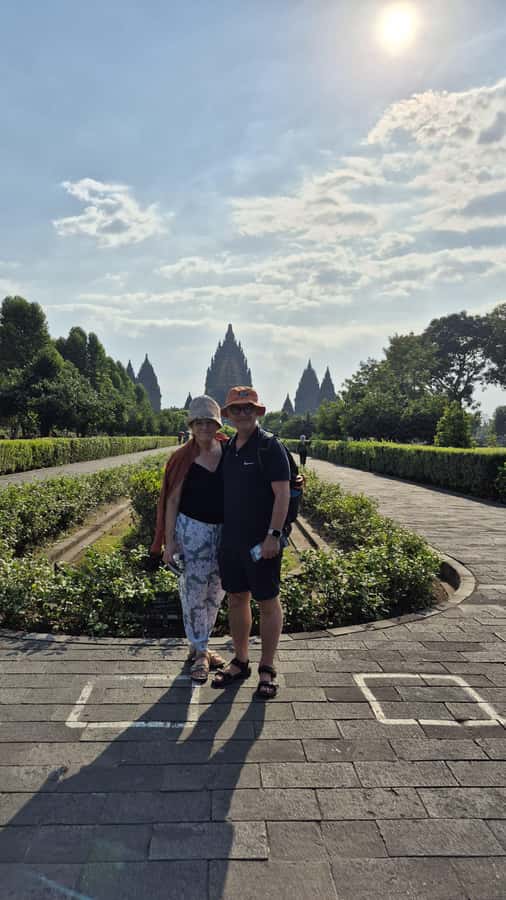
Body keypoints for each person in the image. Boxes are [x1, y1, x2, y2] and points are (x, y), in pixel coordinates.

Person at [212, 386, 290, 699]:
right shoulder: (229, 447)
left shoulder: (269, 446)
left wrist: (274, 535)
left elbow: (282, 494)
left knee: (267, 602)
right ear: (228, 415)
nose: (242, 414)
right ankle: (241, 660)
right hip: (232, 540)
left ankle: (267, 668)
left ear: (257, 412)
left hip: (262, 541)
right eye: (236, 409)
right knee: (236, 599)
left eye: (248, 408)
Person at [151, 396, 227, 683]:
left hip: (223, 532)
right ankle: (201, 652)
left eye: (210, 422)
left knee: (216, 592)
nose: (205, 427)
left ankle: (199, 645)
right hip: (192, 531)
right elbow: (171, 501)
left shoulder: (229, 452)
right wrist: (169, 542)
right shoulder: (183, 458)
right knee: (194, 593)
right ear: (191, 426)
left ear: (218, 425)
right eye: (199, 422)